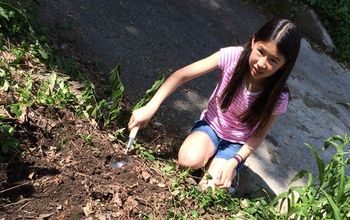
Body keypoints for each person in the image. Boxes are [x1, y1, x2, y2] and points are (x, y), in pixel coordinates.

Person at [128, 19, 301, 192]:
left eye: (273, 60)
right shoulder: (233, 56)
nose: (261, 63)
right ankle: (210, 158)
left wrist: (234, 162)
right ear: (254, 40)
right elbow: (182, 75)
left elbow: (258, 136)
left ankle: (228, 169)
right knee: (188, 161)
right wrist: (150, 107)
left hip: (236, 145)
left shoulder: (278, 97)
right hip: (210, 127)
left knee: (209, 189)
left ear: (284, 64)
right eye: (261, 51)